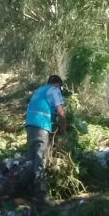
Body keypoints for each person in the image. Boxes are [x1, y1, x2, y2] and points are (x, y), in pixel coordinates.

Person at [25, 75, 67, 205]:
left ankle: (28, 193)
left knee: (32, 158)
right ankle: (42, 198)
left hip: (30, 125)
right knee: (40, 159)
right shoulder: (54, 90)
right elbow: (60, 111)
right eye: (60, 87)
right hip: (41, 125)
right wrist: (64, 126)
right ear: (57, 84)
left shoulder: (39, 90)